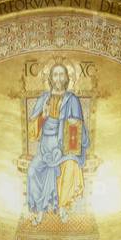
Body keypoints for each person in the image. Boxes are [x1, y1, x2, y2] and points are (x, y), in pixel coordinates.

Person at [27, 63, 89, 223]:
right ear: (50, 78)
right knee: (33, 170)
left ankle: (62, 206)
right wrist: (43, 116)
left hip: (64, 146)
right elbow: (32, 131)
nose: (59, 78)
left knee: (70, 165)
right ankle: (39, 209)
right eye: (55, 75)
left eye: (62, 75)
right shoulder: (43, 99)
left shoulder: (72, 99)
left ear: (67, 78)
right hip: (46, 147)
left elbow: (78, 126)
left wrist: (69, 146)